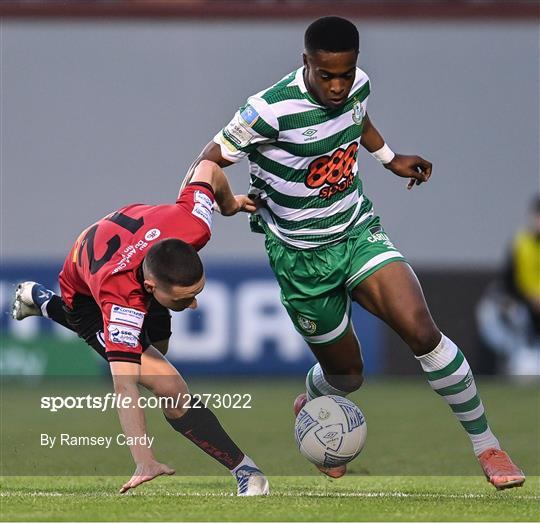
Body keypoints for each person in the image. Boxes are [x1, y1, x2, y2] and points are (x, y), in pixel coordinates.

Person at [181, 16, 525, 489]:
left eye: (346, 73)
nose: (339, 85)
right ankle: (311, 399)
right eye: (327, 76)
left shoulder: (358, 86)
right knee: (346, 377)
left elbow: (357, 117)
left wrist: (389, 158)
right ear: (307, 63)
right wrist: (222, 205)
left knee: (423, 332)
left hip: (356, 232)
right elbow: (206, 162)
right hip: (301, 259)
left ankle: (488, 447)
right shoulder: (267, 111)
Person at [12, 160, 269, 496]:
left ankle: (40, 300)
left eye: (196, 294)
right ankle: (246, 471)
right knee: (171, 388)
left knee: (157, 350)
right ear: (150, 288)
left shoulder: (195, 225)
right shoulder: (120, 301)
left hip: (132, 241)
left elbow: (208, 167)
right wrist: (144, 459)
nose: (194, 305)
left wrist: (230, 205)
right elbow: (125, 386)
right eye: (184, 299)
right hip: (86, 293)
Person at [476, 195, 540, 375]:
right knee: (512, 316)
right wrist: (529, 298)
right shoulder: (521, 242)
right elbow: (508, 280)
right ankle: (516, 359)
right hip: (525, 306)